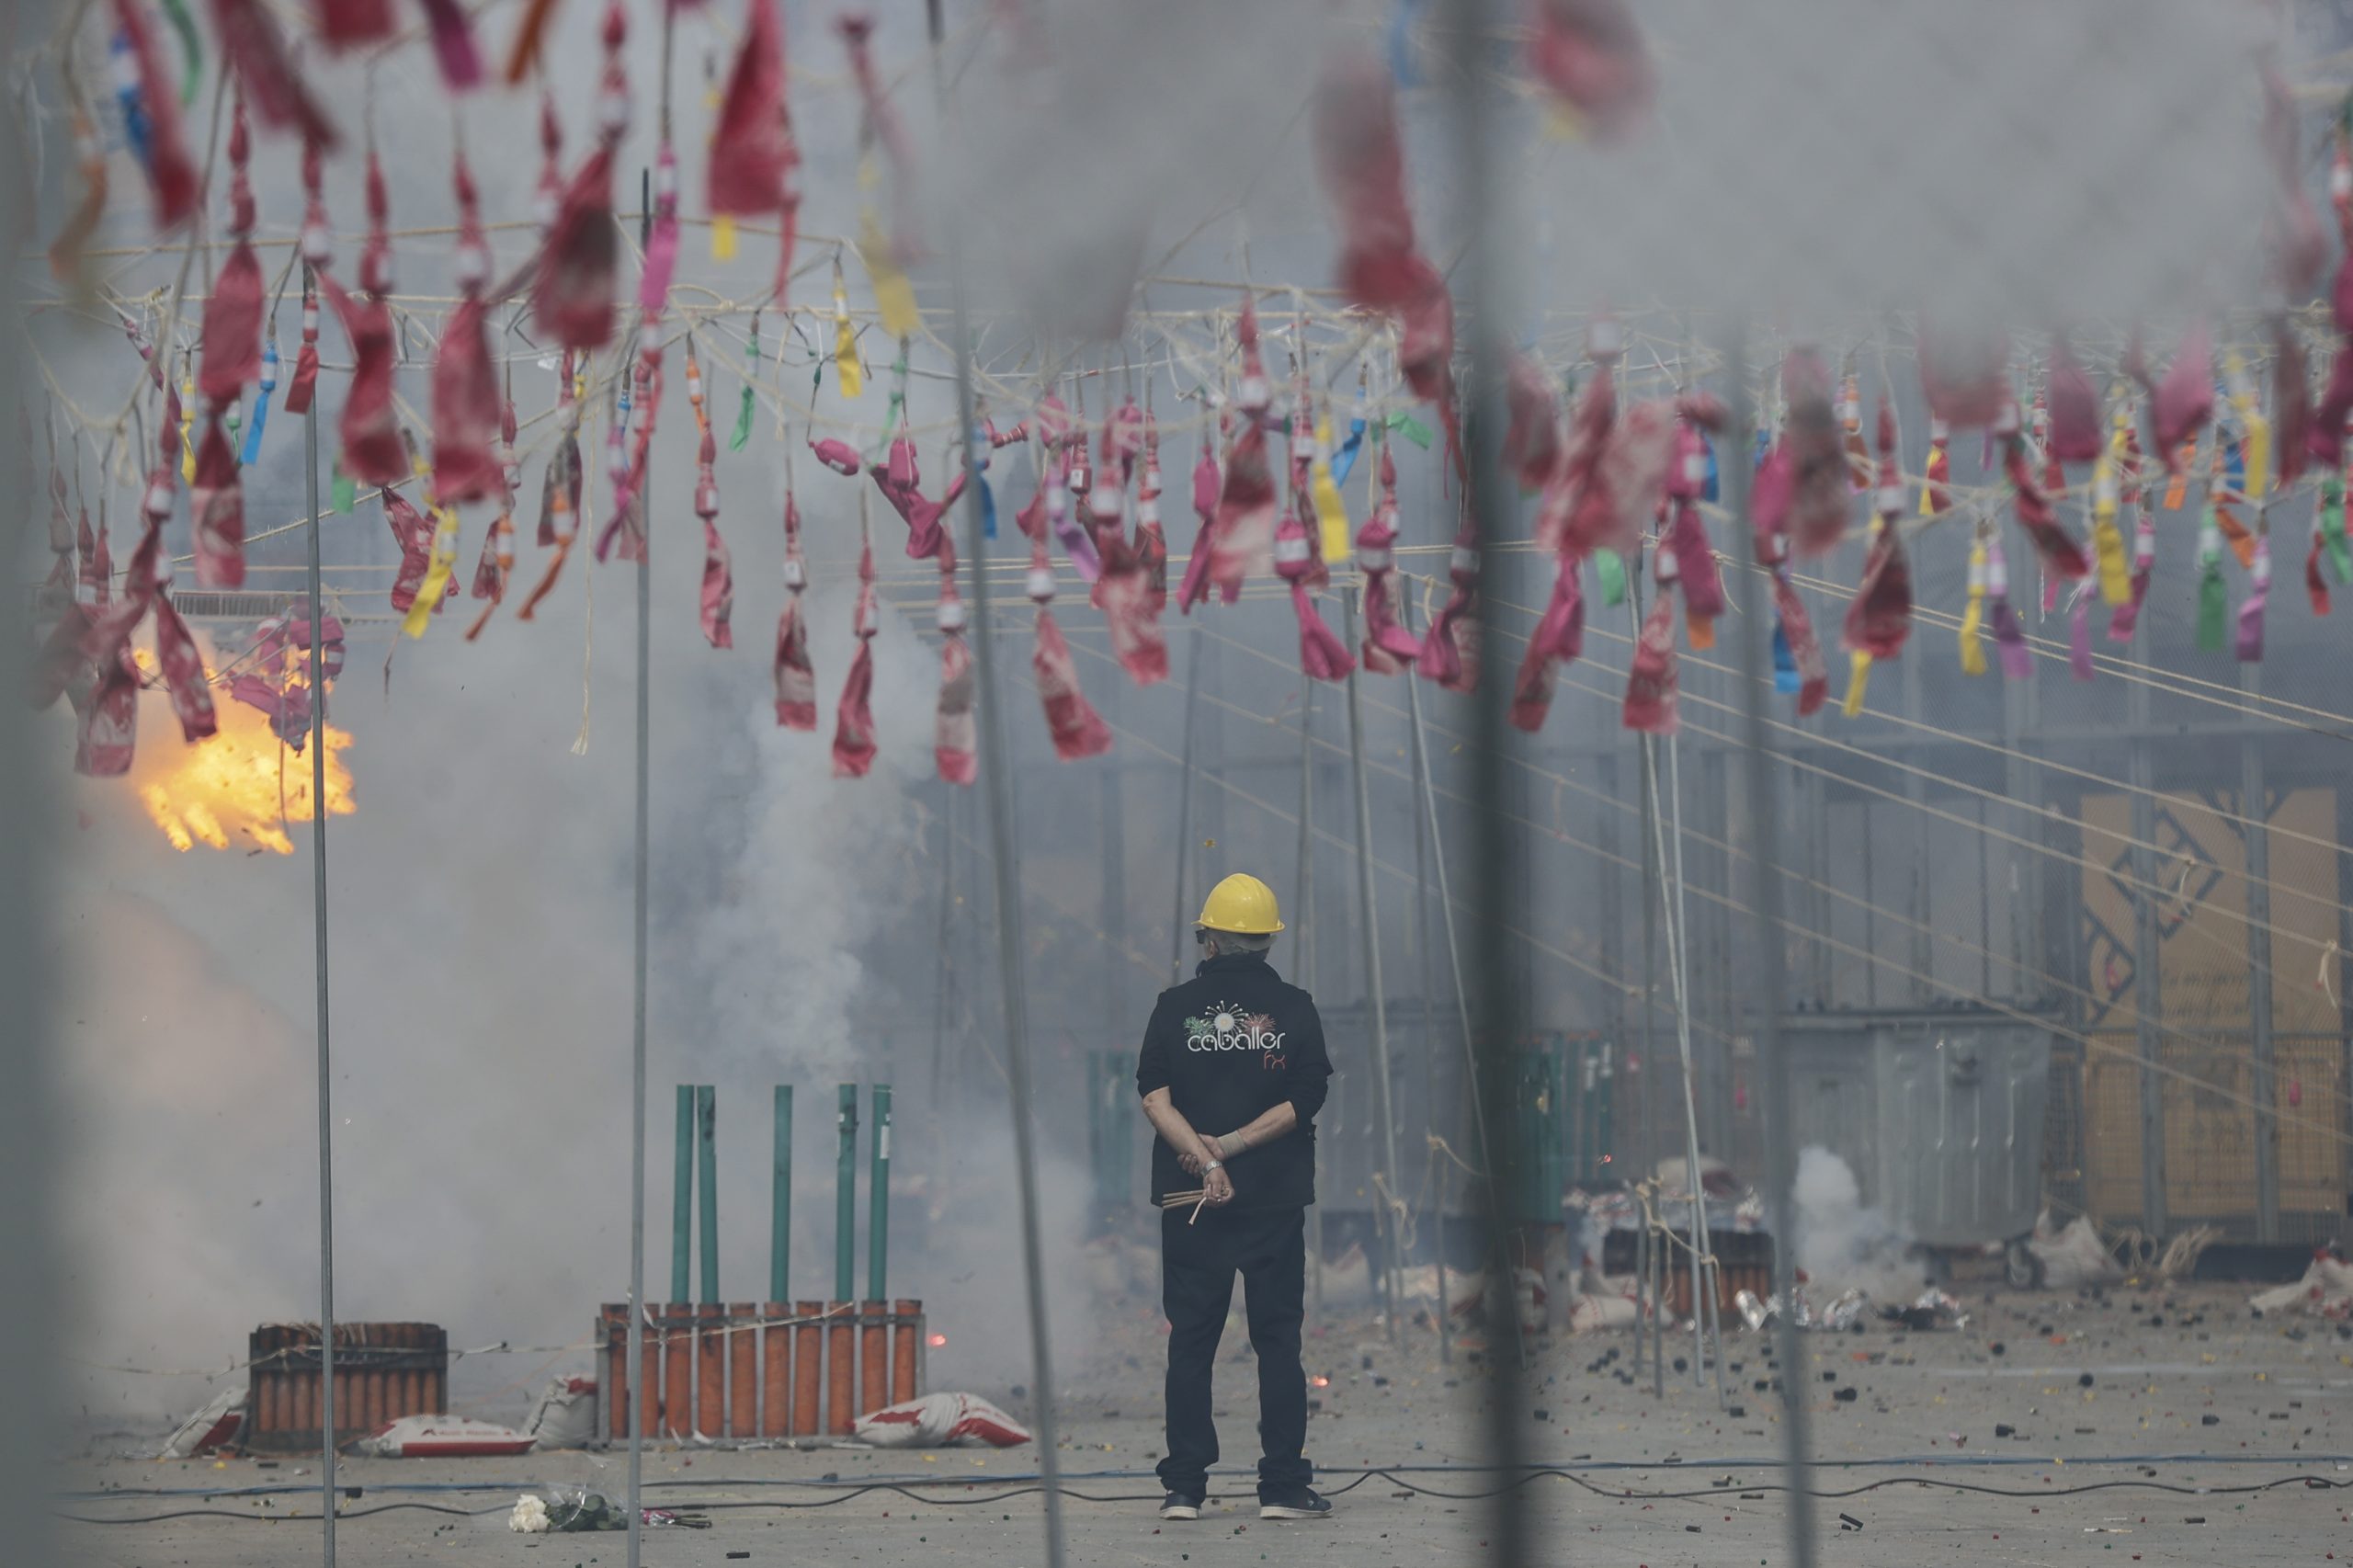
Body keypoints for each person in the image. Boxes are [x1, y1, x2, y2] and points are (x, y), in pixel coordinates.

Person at [1134, 872, 1335, 1523]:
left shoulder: (1172, 1006)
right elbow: (1305, 1098)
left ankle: (1184, 1489)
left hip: (1192, 1203)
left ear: (1210, 939)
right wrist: (1231, 1148)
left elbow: (1154, 1099)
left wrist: (1204, 1159)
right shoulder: (1296, 1008)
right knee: (1278, 1342)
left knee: (1191, 1343)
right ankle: (1282, 1488)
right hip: (1273, 1202)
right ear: (1269, 942)